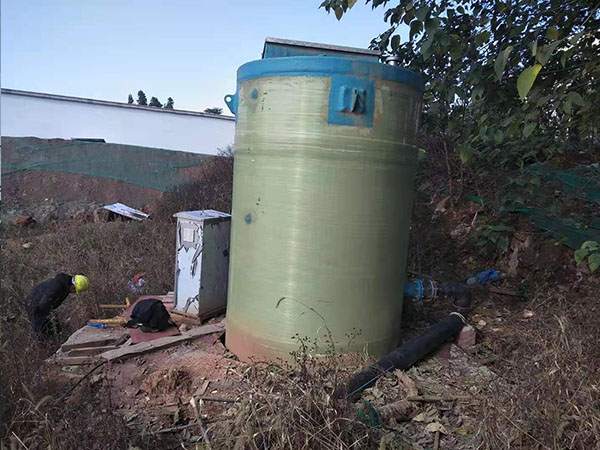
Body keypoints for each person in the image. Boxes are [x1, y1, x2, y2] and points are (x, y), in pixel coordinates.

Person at [24, 273, 89, 340]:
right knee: (43, 333)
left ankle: (56, 340)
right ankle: (48, 343)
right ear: (73, 287)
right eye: (74, 291)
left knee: (56, 330)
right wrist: (51, 316)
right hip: (34, 306)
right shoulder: (57, 286)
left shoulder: (65, 286)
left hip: (44, 306)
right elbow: (43, 304)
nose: (73, 292)